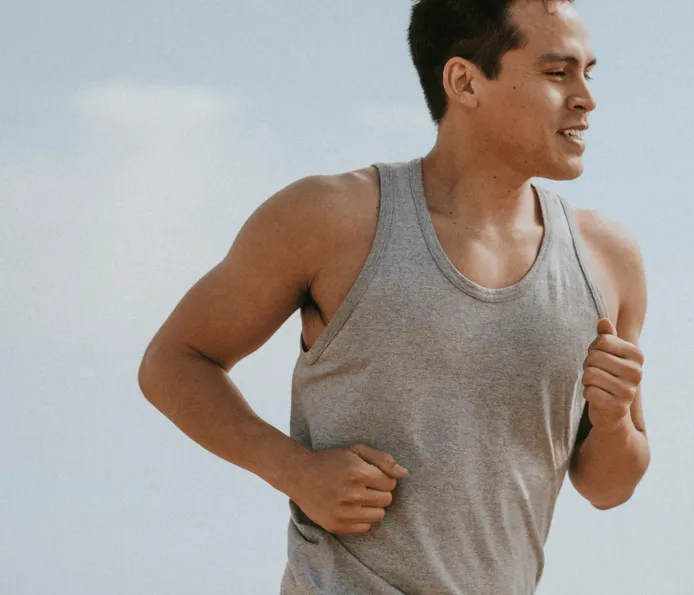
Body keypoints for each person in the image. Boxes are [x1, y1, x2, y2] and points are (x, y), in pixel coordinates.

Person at [136, 1, 649, 593]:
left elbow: (609, 487)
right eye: (557, 73)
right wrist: (294, 469)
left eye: (589, 72)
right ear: (463, 81)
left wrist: (612, 421)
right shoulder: (330, 218)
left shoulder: (608, 260)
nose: (585, 98)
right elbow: (173, 361)